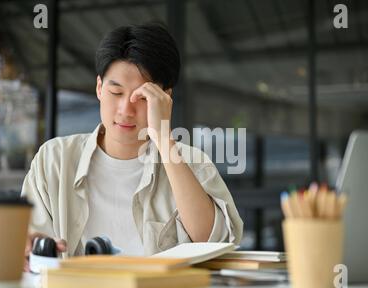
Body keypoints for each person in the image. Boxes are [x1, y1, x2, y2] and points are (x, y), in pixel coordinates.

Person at [21, 23, 243, 269]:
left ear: (165, 98)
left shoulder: (193, 164)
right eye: (116, 93)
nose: (126, 110)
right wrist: (27, 248)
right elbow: (26, 247)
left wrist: (163, 138)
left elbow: (215, 243)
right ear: (98, 88)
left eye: (142, 98)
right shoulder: (54, 160)